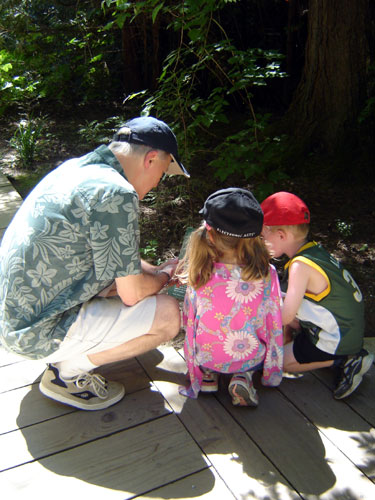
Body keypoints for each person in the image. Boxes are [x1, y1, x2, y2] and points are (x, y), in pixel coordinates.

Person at [0, 116, 190, 411]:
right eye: (163, 174)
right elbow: (132, 293)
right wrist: (164, 279)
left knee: (127, 287)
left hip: (13, 317)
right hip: (32, 333)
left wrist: (156, 270)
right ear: (151, 159)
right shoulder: (117, 193)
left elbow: (115, 253)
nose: (156, 185)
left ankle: (66, 353)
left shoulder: (77, 169)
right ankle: (66, 374)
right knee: (167, 314)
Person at [260, 191, 374, 399]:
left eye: (262, 236)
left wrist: (252, 313)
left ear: (281, 235)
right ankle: (333, 352)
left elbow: (284, 317)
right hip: (346, 329)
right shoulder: (313, 252)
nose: (261, 241)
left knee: (275, 363)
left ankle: (347, 359)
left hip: (337, 339)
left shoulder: (299, 266)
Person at [177, 188, 283, 407]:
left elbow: (189, 316)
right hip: (248, 354)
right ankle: (242, 377)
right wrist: (272, 368)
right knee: (249, 345)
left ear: (210, 235)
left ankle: (207, 376)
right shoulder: (266, 273)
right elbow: (273, 320)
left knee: (209, 336)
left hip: (207, 355)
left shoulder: (200, 272)